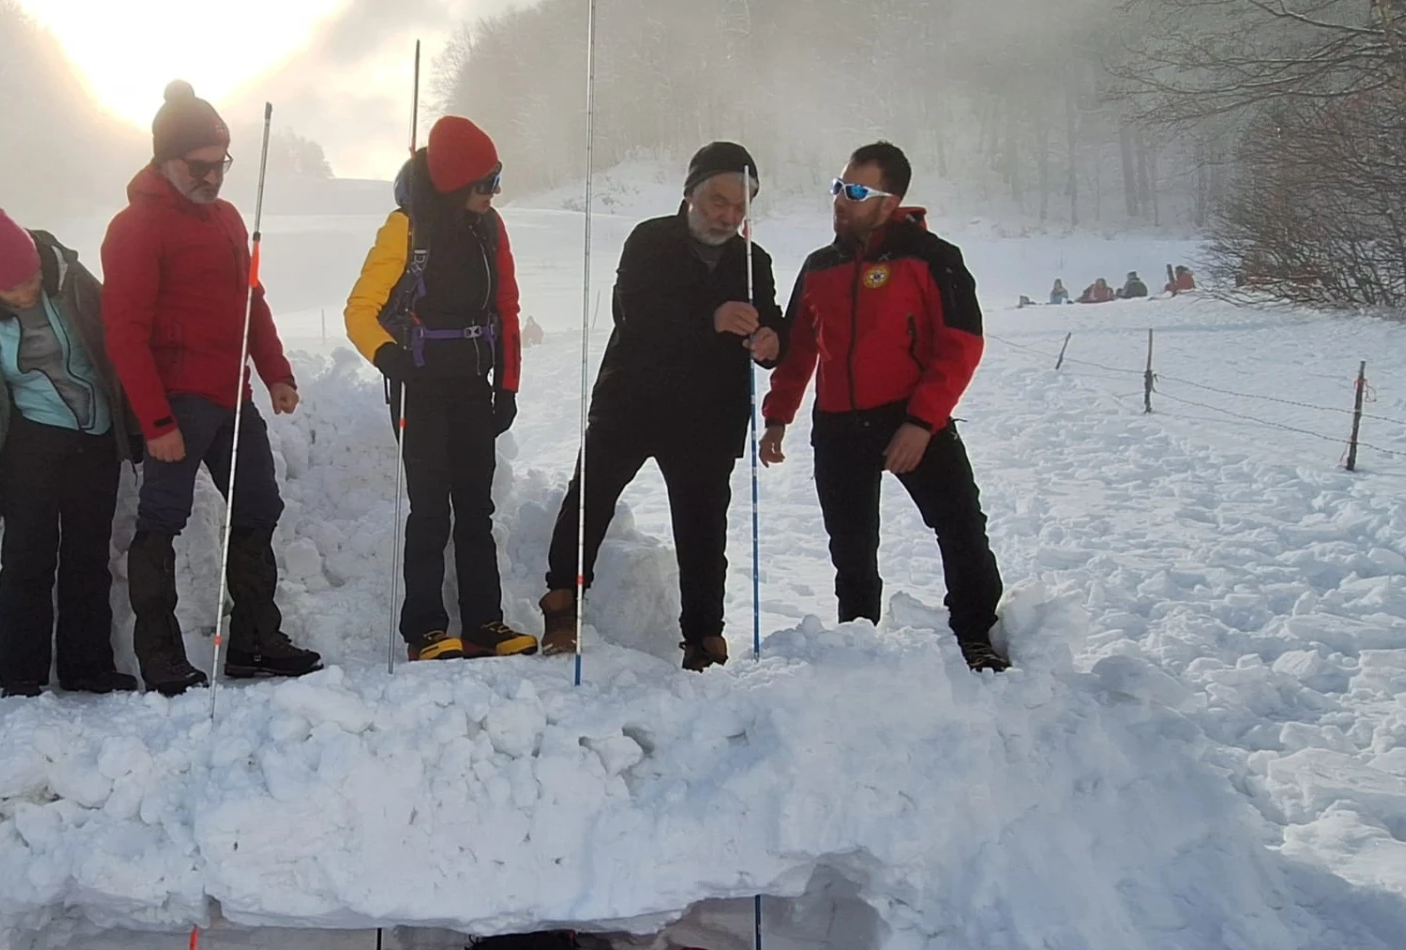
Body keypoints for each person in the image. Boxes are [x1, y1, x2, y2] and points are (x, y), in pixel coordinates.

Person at [102, 81, 321, 695]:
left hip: (232, 398)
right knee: (160, 523)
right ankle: (161, 657)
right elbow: (124, 335)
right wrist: (156, 422)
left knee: (258, 508)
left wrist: (275, 370)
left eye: (220, 163)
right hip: (177, 403)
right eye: (198, 166)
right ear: (165, 160)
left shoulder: (228, 219)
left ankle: (255, 642)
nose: (212, 177)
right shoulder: (135, 228)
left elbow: (252, 298)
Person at [758, 142, 1009, 673]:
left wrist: (922, 423)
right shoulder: (819, 266)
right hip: (838, 426)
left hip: (913, 418)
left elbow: (961, 343)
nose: (840, 201)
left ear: (889, 202)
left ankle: (975, 633)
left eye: (855, 192)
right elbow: (801, 347)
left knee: (960, 527)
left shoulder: (932, 258)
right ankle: (859, 645)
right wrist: (779, 415)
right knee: (851, 549)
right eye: (837, 187)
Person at [541, 143, 784, 672]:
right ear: (690, 193)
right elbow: (637, 314)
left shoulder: (753, 261)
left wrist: (770, 341)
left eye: (741, 207)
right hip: (631, 402)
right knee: (589, 503)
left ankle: (704, 637)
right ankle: (561, 607)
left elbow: (774, 323)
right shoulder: (650, 240)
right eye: (720, 201)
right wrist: (712, 319)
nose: (729, 216)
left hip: (708, 418)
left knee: (702, 531)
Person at [0, 179, 142, 698]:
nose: (27, 293)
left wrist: (134, 422)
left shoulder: (65, 276)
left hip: (95, 436)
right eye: (12, 290)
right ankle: (21, 676)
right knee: (28, 558)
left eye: (30, 280)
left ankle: (87, 667)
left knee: (87, 556)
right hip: (30, 443)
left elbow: (119, 339)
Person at [344, 116, 537, 661]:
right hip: (420, 389)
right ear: (454, 182)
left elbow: (506, 309)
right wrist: (393, 361)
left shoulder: (491, 229)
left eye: (496, 179)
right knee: (431, 510)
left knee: (477, 510)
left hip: (474, 387)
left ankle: (485, 622)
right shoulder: (406, 229)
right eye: (484, 182)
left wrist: (509, 385)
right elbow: (359, 311)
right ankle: (424, 629)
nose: (493, 192)